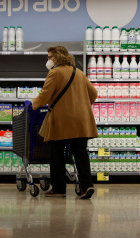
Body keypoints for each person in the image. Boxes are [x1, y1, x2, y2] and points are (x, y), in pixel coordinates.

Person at [31, 46, 98, 199]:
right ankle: (87, 186)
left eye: (50, 57)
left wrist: (32, 103)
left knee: (57, 153)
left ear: (57, 57)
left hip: (61, 119)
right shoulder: (79, 73)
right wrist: (81, 105)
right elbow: (93, 94)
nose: (48, 60)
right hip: (81, 120)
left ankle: (59, 189)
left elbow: (45, 96)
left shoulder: (54, 73)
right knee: (81, 154)